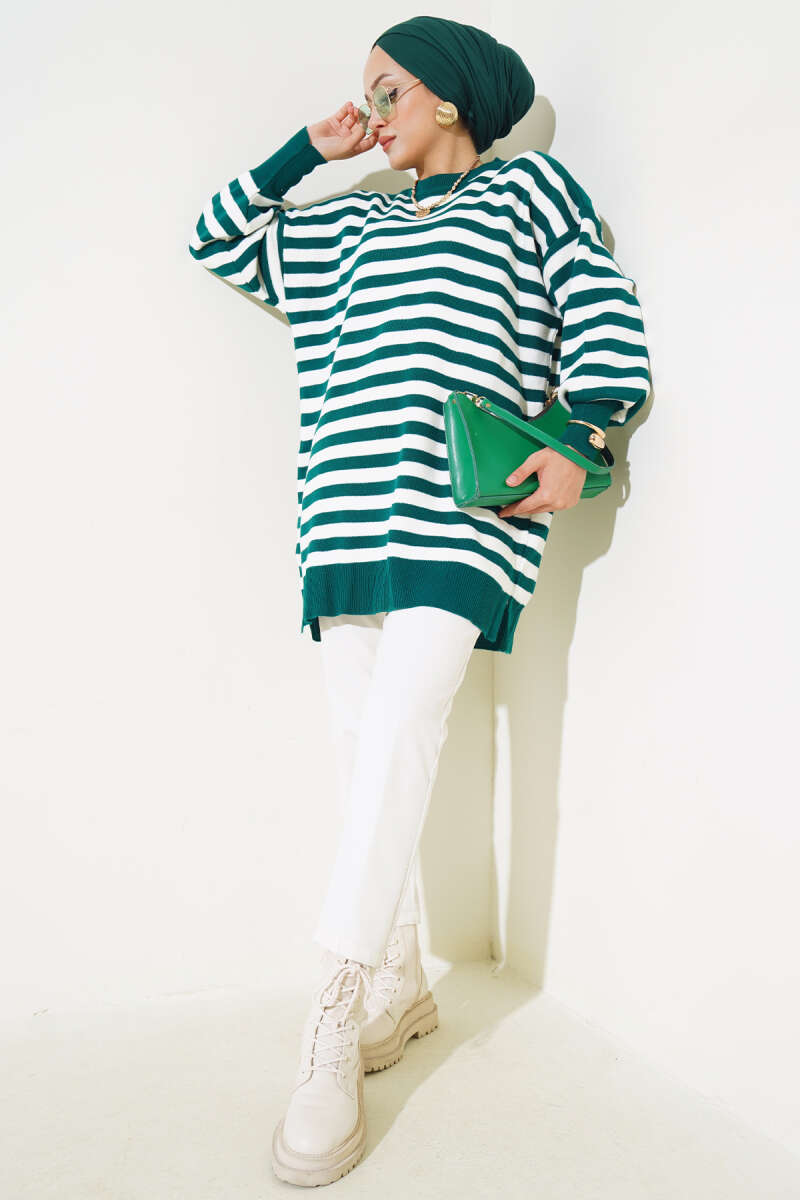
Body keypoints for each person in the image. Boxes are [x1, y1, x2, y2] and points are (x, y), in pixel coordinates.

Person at [188, 14, 651, 1187]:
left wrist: (582, 440)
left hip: (458, 520)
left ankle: (333, 1010)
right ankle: (399, 979)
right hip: (341, 520)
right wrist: (311, 149)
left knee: (398, 729)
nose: (369, 110)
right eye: (362, 94)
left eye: (385, 90)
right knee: (363, 752)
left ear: (447, 98)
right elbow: (216, 237)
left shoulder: (529, 193)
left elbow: (602, 319)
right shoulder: (348, 224)